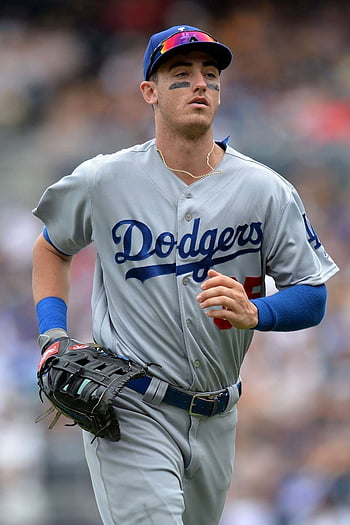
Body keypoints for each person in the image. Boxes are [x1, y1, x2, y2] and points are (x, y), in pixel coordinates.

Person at [32, 24, 339, 525]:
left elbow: (313, 296)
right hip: (132, 409)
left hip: (218, 415)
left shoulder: (265, 190)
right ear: (149, 92)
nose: (200, 84)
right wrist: (52, 334)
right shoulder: (105, 179)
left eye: (210, 75)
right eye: (181, 74)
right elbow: (50, 249)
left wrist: (257, 311)